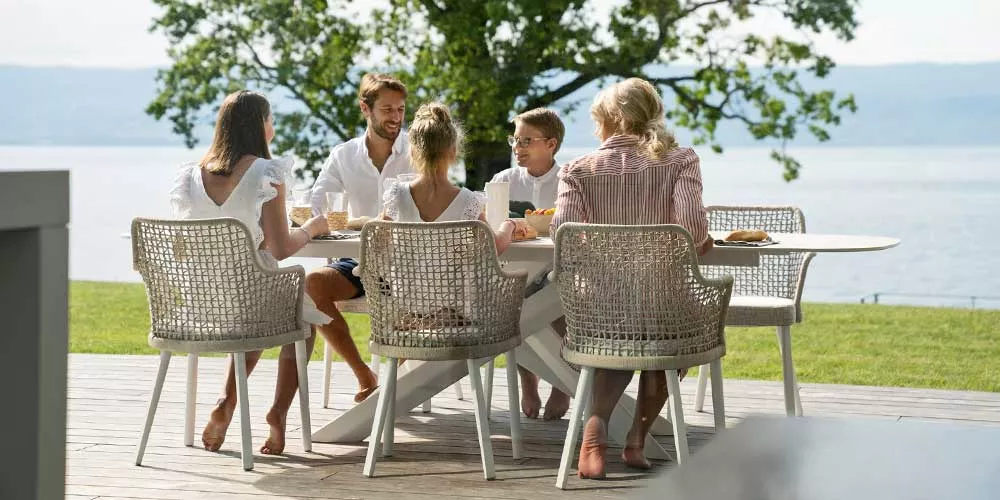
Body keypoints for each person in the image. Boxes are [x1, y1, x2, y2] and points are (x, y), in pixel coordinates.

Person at [549, 77, 714, 479]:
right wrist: (700, 242)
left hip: (597, 310)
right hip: (663, 304)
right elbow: (691, 229)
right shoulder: (680, 160)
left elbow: (562, 234)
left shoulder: (577, 169)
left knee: (623, 331)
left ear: (608, 121)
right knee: (667, 334)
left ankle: (596, 424)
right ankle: (636, 438)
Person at [168, 90, 331, 455]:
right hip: (247, 302)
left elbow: (186, 242)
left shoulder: (190, 176)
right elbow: (282, 248)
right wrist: (312, 229)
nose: (273, 127)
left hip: (200, 305)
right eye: (270, 119)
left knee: (263, 302)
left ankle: (228, 401)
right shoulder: (265, 173)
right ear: (260, 126)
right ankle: (278, 412)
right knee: (298, 314)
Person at [306, 73, 414, 403]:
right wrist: (342, 217)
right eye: (387, 109)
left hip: (411, 265)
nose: (396, 117)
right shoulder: (344, 155)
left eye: (400, 109)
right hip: (358, 261)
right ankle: (364, 374)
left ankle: (397, 385)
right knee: (311, 288)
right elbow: (316, 202)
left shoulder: (418, 149)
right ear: (365, 109)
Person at [491, 108, 571, 420]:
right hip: (517, 269)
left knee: (560, 300)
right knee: (517, 301)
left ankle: (563, 386)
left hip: (556, 270)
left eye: (526, 140)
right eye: (515, 139)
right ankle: (528, 383)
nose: (517, 147)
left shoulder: (568, 181)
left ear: (550, 144)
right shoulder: (503, 181)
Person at [382, 102, 528, 247]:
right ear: (453, 152)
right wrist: (510, 224)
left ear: (413, 152)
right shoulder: (468, 201)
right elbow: (493, 246)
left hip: (405, 271)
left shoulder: (396, 195)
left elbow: (379, 240)